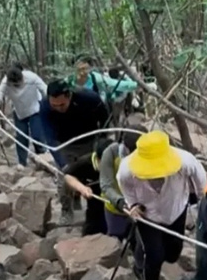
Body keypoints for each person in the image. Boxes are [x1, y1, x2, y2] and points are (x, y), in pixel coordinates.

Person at [117, 130, 207, 280]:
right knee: (154, 252)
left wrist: (202, 202)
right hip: (147, 214)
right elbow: (124, 186)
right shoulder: (127, 168)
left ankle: (161, 262)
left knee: (173, 253)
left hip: (176, 209)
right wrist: (132, 204)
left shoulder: (185, 161)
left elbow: (201, 182)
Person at [40, 79, 110, 225]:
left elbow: (105, 119)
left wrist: (100, 142)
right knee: (64, 177)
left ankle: (96, 210)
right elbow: (49, 137)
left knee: (92, 175)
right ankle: (66, 209)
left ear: (69, 96)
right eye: (54, 105)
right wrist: (61, 162)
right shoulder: (45, 106)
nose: (58, 108)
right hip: (64, 144)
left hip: (90, 141)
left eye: (62, 105)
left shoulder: (89, 98)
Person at [0, 62, 48, 167]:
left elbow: (45, 89)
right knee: (21, 137)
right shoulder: (5, 82)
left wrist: (51, 104)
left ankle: (43, 158)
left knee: (37, 136)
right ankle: (22, 163)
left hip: (35, 109)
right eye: (15, 84)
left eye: (19, 83)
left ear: (22, 76)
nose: (17, 85)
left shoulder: (31, 77)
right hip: (20, 112)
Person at [99, 124, 148, 238]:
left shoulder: (149, 154)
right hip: (116, 208)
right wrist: (121, 202)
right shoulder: (111, 153)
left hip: (142, 209)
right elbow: (106, 185)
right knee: (116, 238)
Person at [61, 137, 114, 237]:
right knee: (91, 232)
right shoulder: (85, 162)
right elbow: (68, 175)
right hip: (95, 204)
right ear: (98, 159)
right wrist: (82, 188)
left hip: (115, 203)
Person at [69, 55, 139, 125]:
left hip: (94, 117)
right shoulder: (69, 82)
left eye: (85, 68)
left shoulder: (95, 78)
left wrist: (136, 85)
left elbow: (114, 84)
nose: (82, 71)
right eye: (80, 68)